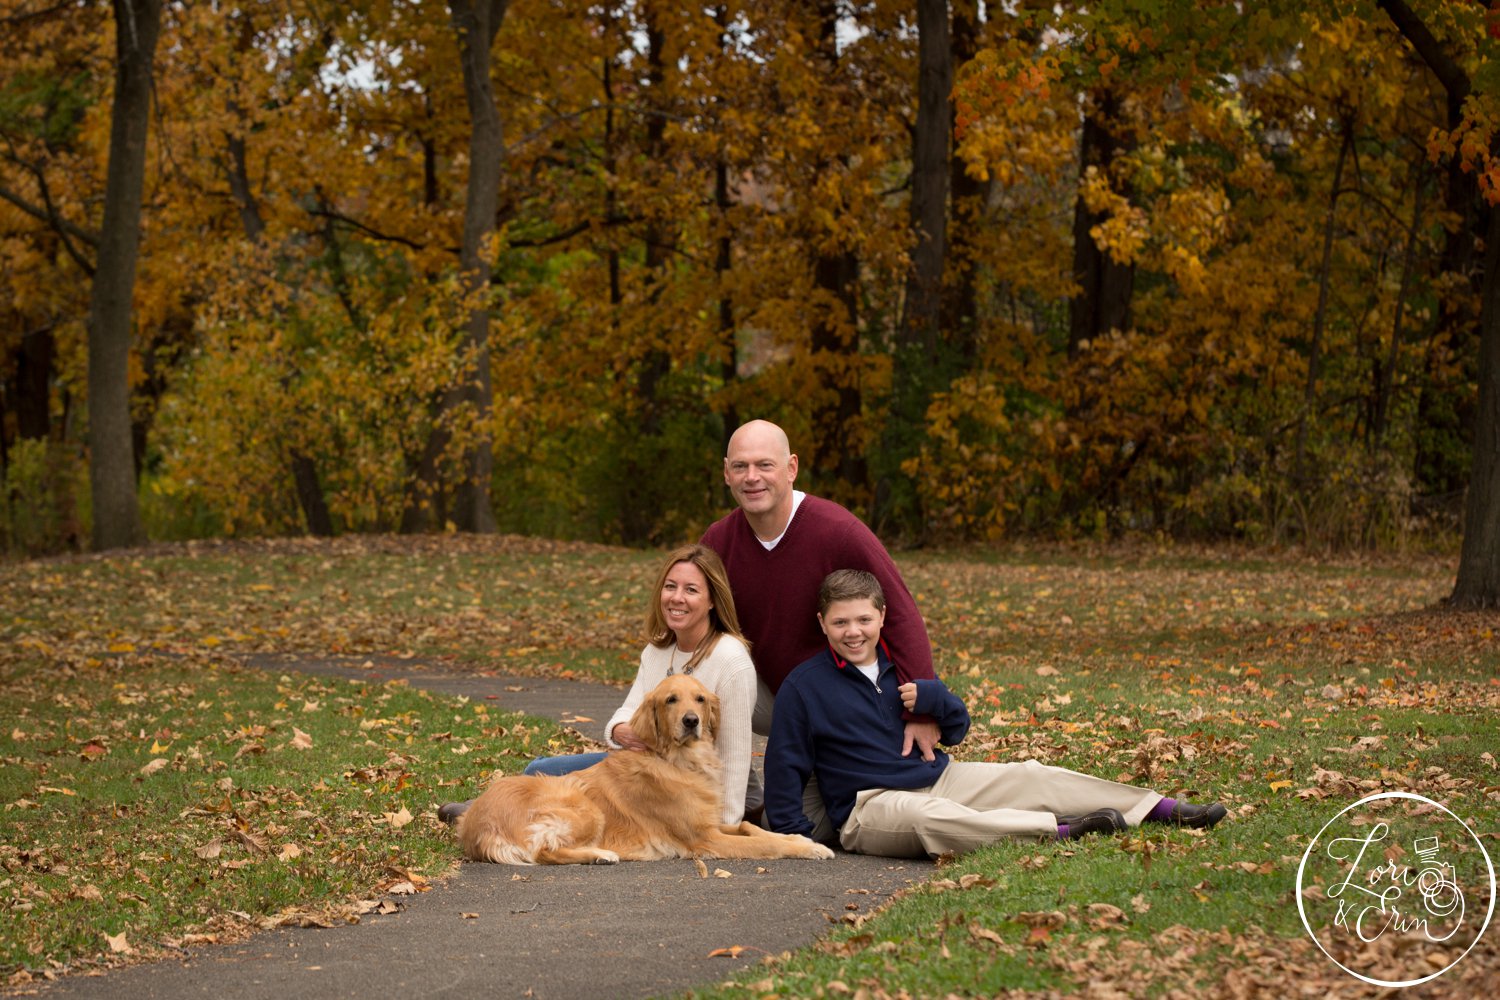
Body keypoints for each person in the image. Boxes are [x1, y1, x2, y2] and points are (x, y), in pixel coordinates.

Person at [763, 570, 1228, 853]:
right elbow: (785, 764)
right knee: (932, 820)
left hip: (938, 776)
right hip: (870, 806)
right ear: (822, 623)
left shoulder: (899, 667)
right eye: (840, 622)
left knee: (1032, 775)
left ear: (882, 616)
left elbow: (957, 728)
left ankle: (1160, 809)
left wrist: (934, 699)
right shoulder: (805, 686)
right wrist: (794, 835)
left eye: (863, 619)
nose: (853, 631)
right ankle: (1064, 831)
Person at [440, 544, 758, 826]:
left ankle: (479, 814)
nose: (677, 598)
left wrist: (724, 823)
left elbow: (735, 754)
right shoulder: (658, 651)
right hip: (649, 770)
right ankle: (491, 813)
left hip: (693, 785)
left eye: (691, 590)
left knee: (552, 776)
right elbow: (623, 718)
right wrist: (625, 731)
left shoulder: (730, 660)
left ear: (713, 600)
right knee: (540, 768)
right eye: (670, 586)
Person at [701, 420, 940, 760]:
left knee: (827, 810)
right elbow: (687, 623)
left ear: (791, 468)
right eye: (740, 466)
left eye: (764, 465)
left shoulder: (838, 531)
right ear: (727, 473)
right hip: (774, 698)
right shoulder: (718, 541)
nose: (751, 477)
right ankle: (736, 794)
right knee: (699, 679)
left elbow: (901, 615)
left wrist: (922, 710)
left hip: (843, 700)